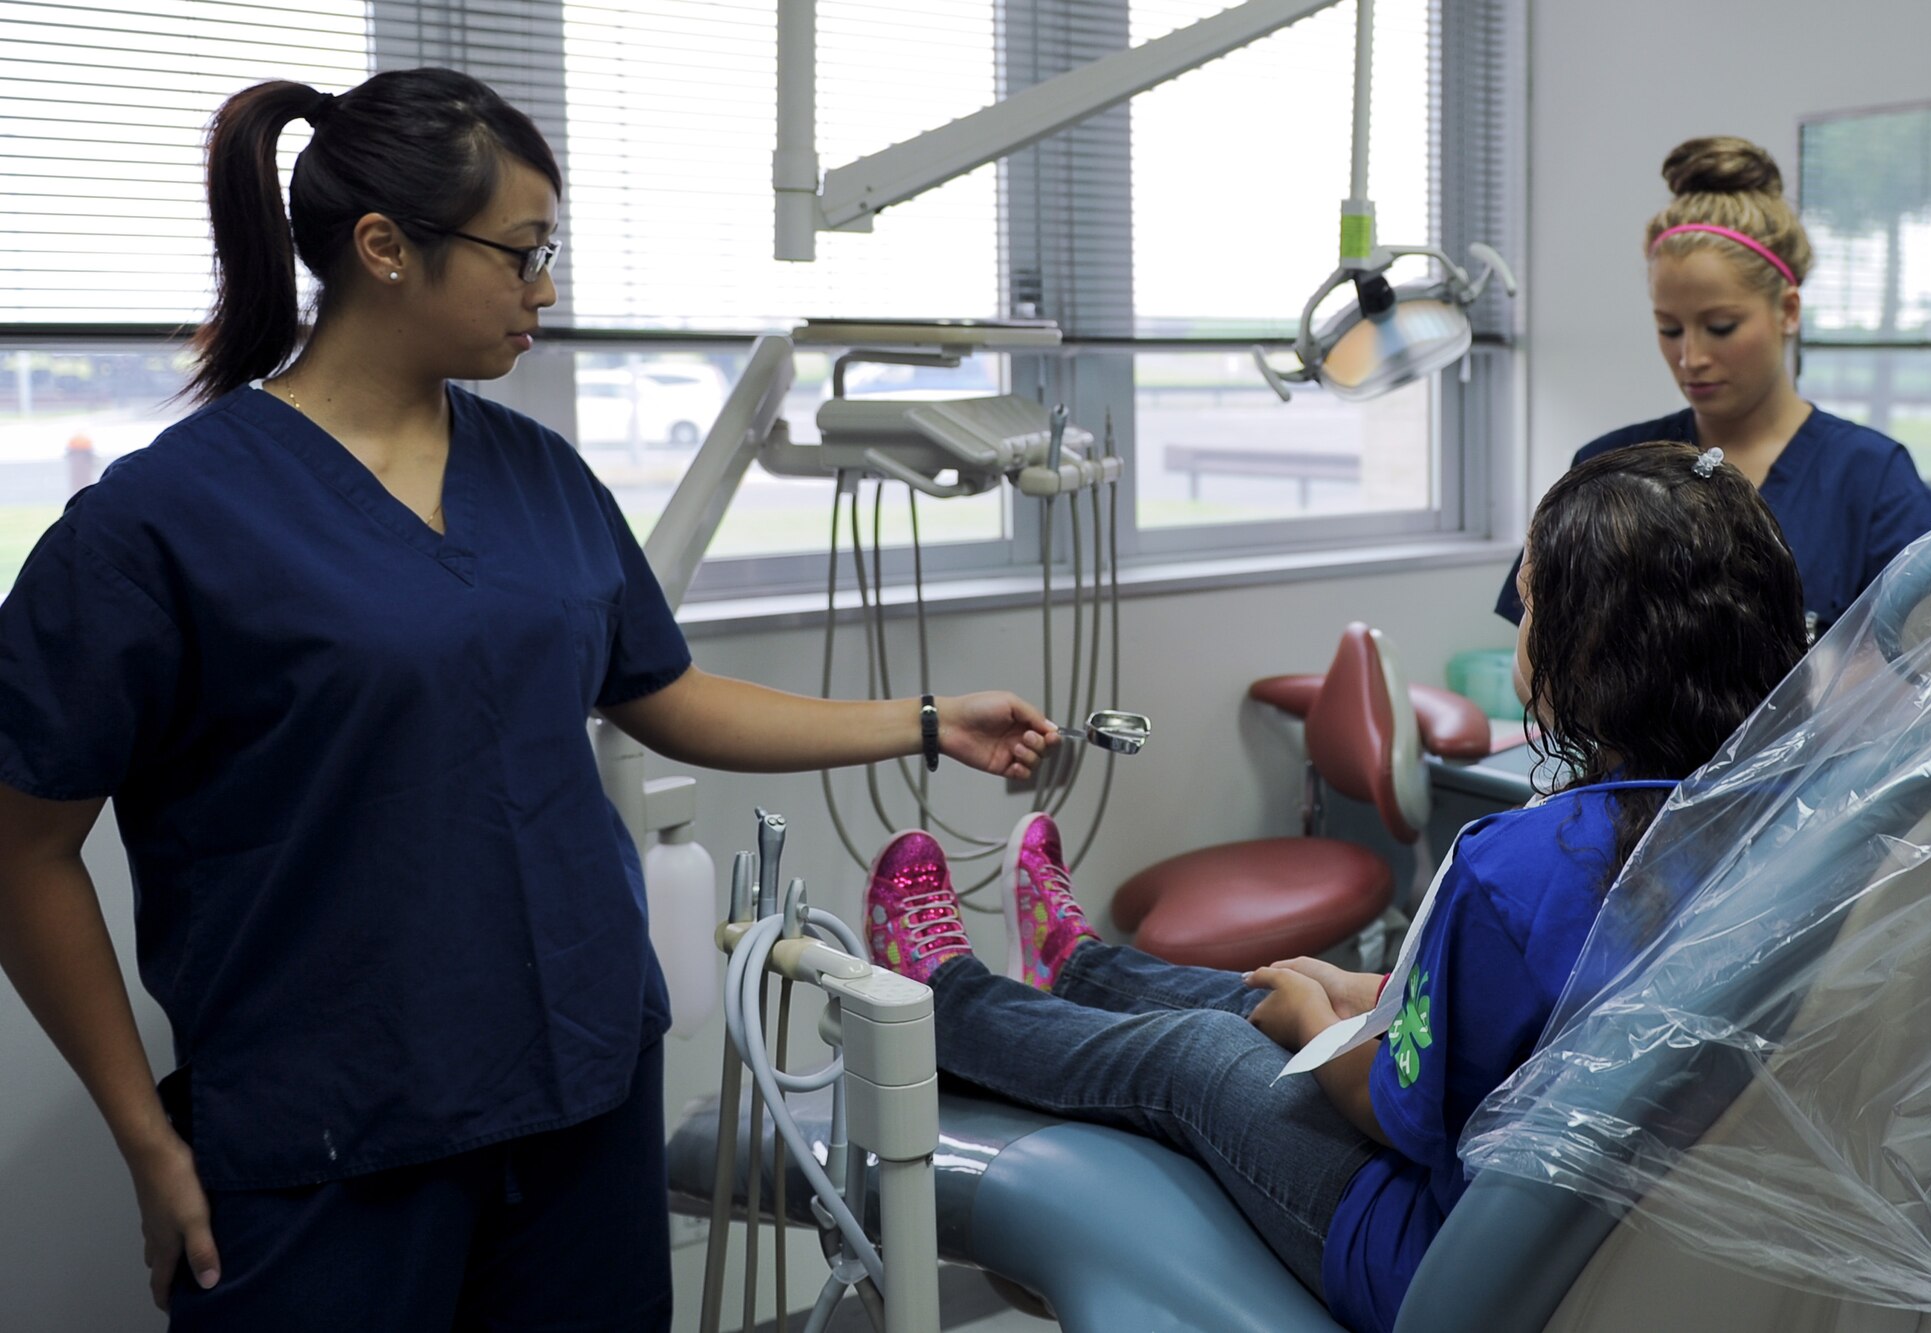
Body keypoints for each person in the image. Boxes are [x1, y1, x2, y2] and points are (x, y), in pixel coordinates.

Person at [0, 70, 1058, 1331]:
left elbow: (664, 695)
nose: (543, 291)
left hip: (577, 1103)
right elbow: (24, 849)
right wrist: (145, 1140)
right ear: (386, 250)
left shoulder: (541, 477)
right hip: (328, 1137)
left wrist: (930, 721)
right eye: (521, 254)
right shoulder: (162, 522)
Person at [865, 440, 1808, 1333]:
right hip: (1600, 1245)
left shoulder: (1518, 871)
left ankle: (943, 999)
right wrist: (1370, 997)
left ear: (1588, 647)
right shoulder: (1786, 840)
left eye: (1528, 603)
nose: (1519, 625)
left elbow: (1394, 1108)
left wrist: (1320, 1024)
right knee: (1261, 986)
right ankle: (1082, 970)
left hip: (1439, 1266)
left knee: (1198, 1049)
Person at [1496, 135, 1931, 638]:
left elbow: (1926, 673)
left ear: (1788, 311)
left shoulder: (1870, 481)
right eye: (1669, 329)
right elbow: (1534, 662)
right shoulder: (1609, 470)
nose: (1691, 357)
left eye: (1721, 326)